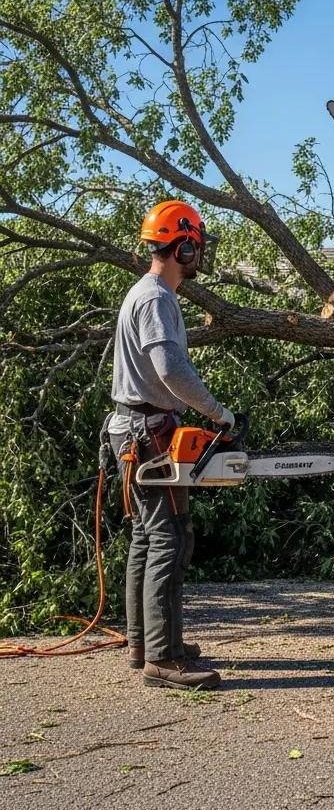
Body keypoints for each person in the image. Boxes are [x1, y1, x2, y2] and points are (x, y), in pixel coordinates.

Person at [107, 200, 234, 690]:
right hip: (149, 431)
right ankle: (163, 658)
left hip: (135, 426)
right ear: (182, 245)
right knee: (169, 537)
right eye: (196, 245)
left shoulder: (146, 292)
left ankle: (147, 643)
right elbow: (171, 370)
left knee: (146, 536)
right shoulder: (156, 297)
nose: (199, 254)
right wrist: (218, 413)